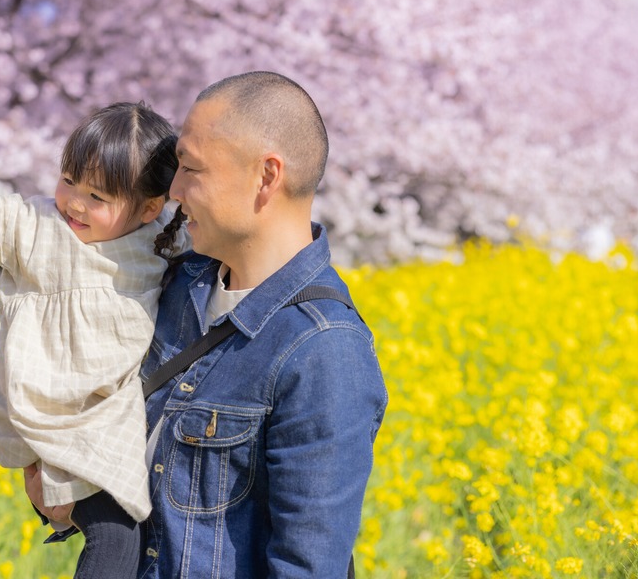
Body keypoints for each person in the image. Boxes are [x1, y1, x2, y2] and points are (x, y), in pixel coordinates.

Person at [28, 72, 388, 577]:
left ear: (266, 177)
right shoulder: (175, 284)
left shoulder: (324, 350)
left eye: (191, 169)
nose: (172, 190)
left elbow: (307, 567)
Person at [0, 102, 183, 579]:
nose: (74, 202)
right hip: (44, 411)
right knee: (117, 533)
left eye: (97, 196)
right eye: (69, 180)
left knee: (125, 535)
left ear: (150, 208)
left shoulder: (162, 246)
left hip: (107, 419)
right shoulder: (41, 230)